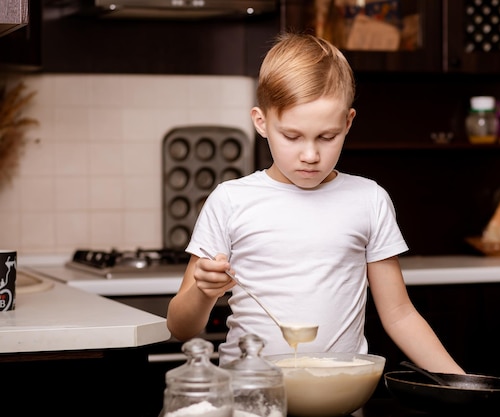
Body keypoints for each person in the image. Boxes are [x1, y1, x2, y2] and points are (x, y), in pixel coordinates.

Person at [166, 32, 465, 374]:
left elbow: (399, 314)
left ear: (348, 122)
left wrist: (461, 383)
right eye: (292, 136)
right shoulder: (230, 200)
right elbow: (180, 328)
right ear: (261, 122)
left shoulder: (369, 200)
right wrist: (204, 293)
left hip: (340, 397)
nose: (310, 155)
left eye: (327, 136)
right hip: (250, 396)